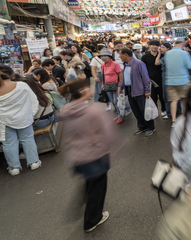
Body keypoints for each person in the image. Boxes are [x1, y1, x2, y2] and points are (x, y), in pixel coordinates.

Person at [57, 79, 115, 233]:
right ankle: (92, 220)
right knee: (98, 187)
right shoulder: (94, 110)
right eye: (88, 88)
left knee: (91, 182)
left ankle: (85, 205)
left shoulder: (66, 110)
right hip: (95, 154)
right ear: (82, 91)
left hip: (77, 156)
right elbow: (108, 133)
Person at [0, 67, 41, 176]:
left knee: (8, 144)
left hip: (3, 121)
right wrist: (30, 114)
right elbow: (33, 100)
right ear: (12, 74)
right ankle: (34, 162)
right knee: (27, 139)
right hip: (24, 118)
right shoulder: (22, 85)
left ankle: (14, 168)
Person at [119, 48, 154, 135]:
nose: (119, 56)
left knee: (144, 109)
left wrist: (147, 90)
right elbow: (125, 77)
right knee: (135, 110)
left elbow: (145, 78)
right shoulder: (125, 64)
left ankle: (150, 127)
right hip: (129, 89)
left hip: (139, 90)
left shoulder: (138, 63)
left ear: (126, 55)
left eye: (120, 54)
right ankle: (141, 126)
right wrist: (121, 87)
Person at [164, 38, 191, 127]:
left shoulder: (168, 53)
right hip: (183, 80)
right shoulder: (184, 53)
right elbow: (190, 66)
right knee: (185, 99)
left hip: (170, 81)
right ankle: (186, 118)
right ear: (182, 44)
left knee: (173, 101)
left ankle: (173, 121)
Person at [141, 40, 167, 117]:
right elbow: (143, 69)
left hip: (161, 78)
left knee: (162, 95)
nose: (154, 46)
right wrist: (146, 78)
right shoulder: (145, 57)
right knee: (153, 97)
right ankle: (155, 111)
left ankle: (163, 109)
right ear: (149, 46)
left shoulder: (162, 56)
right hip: (150, 80)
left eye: (156, 45)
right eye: (153, 45)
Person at [99, 49, 124, 123]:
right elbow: (103, 75)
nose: (103, 57)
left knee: (116, 102)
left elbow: (120, 75)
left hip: (115, 85)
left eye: (105, 56)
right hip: (107, 86)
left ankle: (121, 116)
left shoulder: (115, 64)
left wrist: (120, 86)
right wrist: (103, 84)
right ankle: (118, 114)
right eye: (102, 56)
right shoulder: (102, 65)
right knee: (113, 102)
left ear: (109, 57)